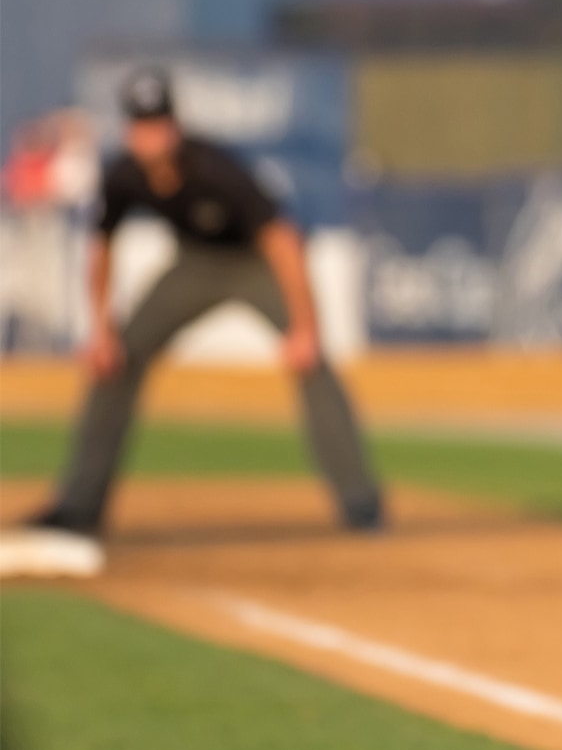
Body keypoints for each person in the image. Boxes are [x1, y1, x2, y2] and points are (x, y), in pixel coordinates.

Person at [27, 69, 383, 535]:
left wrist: (305, 328)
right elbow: (100, 252)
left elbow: (282, 243)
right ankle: (79, 506)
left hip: (253, 263)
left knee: (311, 361)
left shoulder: (215, 168)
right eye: (142, 126)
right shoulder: (123, 175)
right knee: (117, 359)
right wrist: (102, 332)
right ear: (130, 130)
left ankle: (361, 505)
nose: (151, 136)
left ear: (174, 125)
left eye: (159, 124)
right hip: (193, 266)